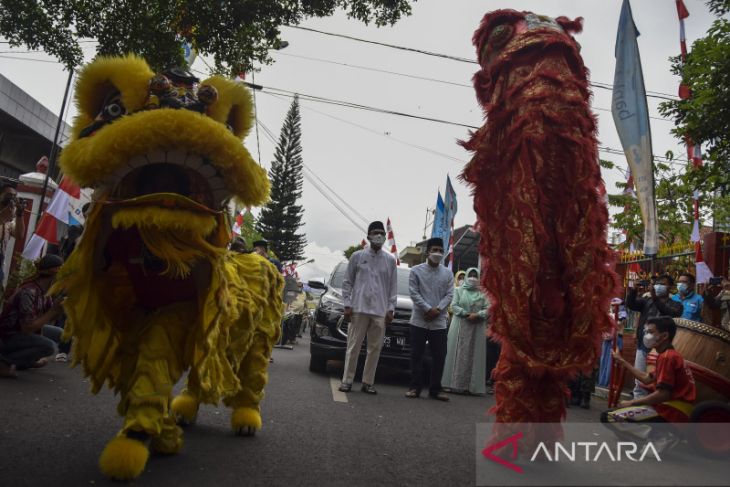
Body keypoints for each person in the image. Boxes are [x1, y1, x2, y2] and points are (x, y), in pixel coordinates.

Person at [601, 316, 696, 450]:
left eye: (651, 332)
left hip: (671, 412)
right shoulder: (670, 354)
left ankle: (661, 436)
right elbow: (646, 378)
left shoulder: (667, 357)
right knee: (618, 416)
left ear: (664, 336)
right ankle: (655, 437)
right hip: (675, 411)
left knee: (609, 416)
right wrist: (622, 361)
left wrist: (632, 402)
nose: (647, 335)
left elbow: (663, 394)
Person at [338, 221, 397, 394]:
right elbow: (347, 282)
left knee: (375, 349)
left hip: (380, 311)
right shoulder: (357, 256)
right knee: (353, 346)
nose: (379, 235)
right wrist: (347, 305)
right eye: (375, 232)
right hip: (358, 309)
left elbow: (392, 287)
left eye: (381, 233)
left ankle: (367, 382)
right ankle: (347, 381)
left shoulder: (390, 260)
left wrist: (391, 309)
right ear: (369, 235)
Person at [0, 254, 66, 377]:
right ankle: (4, 361)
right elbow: (27, 327)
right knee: (49, 347)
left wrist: (59, 310)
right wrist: (53, 311)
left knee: (60, 334)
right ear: (53, 271)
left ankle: (25, 361)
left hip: (24, 331)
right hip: (9, 335)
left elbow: (48, 319)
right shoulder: (29, 291)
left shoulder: (45, 291)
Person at [406, 237, 454, 401]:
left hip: (439, 321)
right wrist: (428, 309)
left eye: (441, 251)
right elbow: (414, 293)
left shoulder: (448, 273)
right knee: (416, 355)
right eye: (434, 250)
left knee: (440, 355)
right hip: (419, 319)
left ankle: (435, 389)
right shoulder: (416, 271)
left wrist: (438, 309)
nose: (438, 253)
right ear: (427, 252)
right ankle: (415, 387)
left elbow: (450, 294)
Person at [625, 274, 682, 399]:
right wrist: (633, 290)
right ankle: (638, 407)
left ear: (671, 287)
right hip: (643, 346)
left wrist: (655, 297)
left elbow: (670, 312)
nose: (659, 286)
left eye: (663, 283)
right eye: (658, 283)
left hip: (661, 350)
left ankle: (653, 407)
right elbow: (630, 304)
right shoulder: (647, 301)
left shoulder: (676, 305)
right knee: (639, 380)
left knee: (659, 381)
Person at [442, 267, 489, 395]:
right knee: (456, 353)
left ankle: (471, 387)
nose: (473, 278)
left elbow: (489, 308)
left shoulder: (484, 293)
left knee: (474, 355)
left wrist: (478, 314)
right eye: (471, 275)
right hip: (460, 325)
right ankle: (453, 384)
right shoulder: (458, 290)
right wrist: (466, 314)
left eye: (475, 275)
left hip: (477, 327)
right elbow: (454, 305)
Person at [0, 179, 26, 288]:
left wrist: (19, 214)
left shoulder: (8, 223)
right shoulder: (5, 218)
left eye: (14, 197)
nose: (12, 200)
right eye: (8, 196)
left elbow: (19, 235)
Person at [598, 298, 626, 387]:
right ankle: (602, 382)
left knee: (612, 363)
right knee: (604, 361)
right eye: (612, 305)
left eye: (615, 305)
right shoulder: (610, 314)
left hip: (616, 340)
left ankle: (610, 383)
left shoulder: (623, 315)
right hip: (607, 340)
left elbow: (618, 324)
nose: (613, 307)